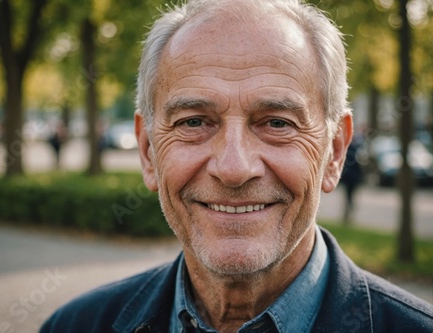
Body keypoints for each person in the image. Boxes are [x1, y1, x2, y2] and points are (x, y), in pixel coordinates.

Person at [40, 1, 433, 332]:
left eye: (277, 123)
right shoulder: (75, 325)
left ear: (334, 152)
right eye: (193, 122)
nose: (233, 168)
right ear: (148, 152)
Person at [339, 136, 364, 225]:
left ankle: (348, 212)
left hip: (351, 178)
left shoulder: (351, 149)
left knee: (349, 196)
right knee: (349, 196)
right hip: (351, 178)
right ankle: (348, 213)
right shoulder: (354, 149)